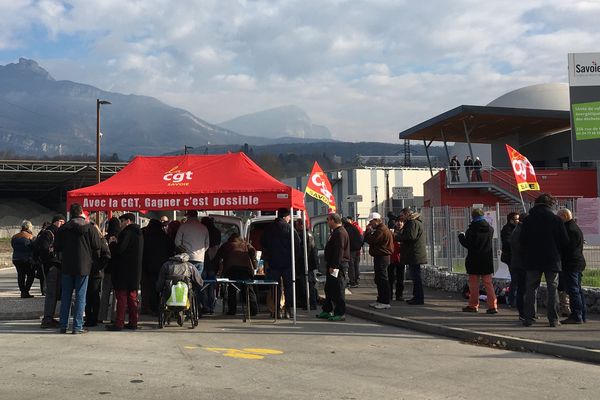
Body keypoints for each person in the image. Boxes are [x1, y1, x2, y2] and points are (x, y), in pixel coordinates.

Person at [519, 194, 569, 327]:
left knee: (530, 288)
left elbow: (522, 241)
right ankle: (553, 319)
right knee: (552, 288)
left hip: (532, 259)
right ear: (550, 204)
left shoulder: (528, 220)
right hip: (552, 259)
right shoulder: (556, 220)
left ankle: (528, 318)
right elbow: (564, 241)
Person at [54, 203, 103, 334]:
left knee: (66, 297)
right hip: (84, 266)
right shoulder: (89, 228)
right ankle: (77, 326)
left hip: (67, 266)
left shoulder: (64, 228)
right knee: (81, 296)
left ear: (70, 213)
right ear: (81, 212)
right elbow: (97, 245)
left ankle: (63, 325)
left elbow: (57, 246)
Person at [106, 213, 144, 331]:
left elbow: (120, 250)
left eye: (122, 221)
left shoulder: (127, 233)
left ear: (128, 221)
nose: (121, 224)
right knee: (132, 297)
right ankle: (133, 322)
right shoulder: (140, 233)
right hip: (135, 271)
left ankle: (119, 323)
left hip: (123, 271)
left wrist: (112, 243)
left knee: (121, 298)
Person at [262, 208, 300, 319]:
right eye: (289, 216)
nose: (289, 219)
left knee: (275, 287)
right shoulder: (290, 228)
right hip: (288, 263)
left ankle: (276, 311)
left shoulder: (269, 229)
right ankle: (288, 310)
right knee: (289, 287)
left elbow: (263, 243)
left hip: (273, 263)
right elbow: (297, 245)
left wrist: (268, 256)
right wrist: (294, 260)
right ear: (285, 216)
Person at [458, 208, 498, 314]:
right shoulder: (490, 229)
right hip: (486, 260)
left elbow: (468, 244)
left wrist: (461, 236)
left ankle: (473, 305)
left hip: (474, 260)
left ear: (473, 216)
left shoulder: (471, 230)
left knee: (474, 285)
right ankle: (493, 306)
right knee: (488, 284)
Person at [316, 213, 350, 321]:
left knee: (338, 289)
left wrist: (334, 265)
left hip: (338, 266)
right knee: (329, 288)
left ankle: (340, 313)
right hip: (333, 264)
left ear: (333, 221)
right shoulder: (336, 232)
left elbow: (339, 251)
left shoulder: (340, 233)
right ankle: (327, 310)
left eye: (328, 220)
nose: (327, 222)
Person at [214, 233, 258, 316]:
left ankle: (232, 310)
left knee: (232, 289)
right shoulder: (246, 244)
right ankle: (254, 310)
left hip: (231, 269)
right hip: (246, 269)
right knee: (248, 288)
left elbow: (218, 258)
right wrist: (254, 265)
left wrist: (215, 270)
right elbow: (253, 252)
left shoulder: (226, 245)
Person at [174, 210, 210, 313]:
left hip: (186, 259)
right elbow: (207, 244)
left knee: (184, 282)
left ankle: (185, 306)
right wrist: (201, 252)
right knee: (198, 283)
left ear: (188, 216)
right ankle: (198, 306)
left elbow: (177, 242)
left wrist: (183, 250)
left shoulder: (183, 227)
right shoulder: (203, 228)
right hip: (199, 259)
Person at [557, 209, 587, 324]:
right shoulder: (573, 227)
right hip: (576, 263)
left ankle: (576, 316)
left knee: (573, 290)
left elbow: (567, 248)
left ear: (564, 216)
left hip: (571, 264)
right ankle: (581, 315)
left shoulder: (569, 229)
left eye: (558, 217)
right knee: (577, 290)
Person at [141, 219, 172, 315]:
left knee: (149, 288)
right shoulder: (164, 236)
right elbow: (170, 249)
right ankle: (160, 305)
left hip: (147, 265)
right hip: (162, 265)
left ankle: (150, 307)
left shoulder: (145, 235)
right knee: (162, 286)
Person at [39, 214, 65, 328]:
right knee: (51, 293)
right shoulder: (49, 233)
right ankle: (47, 319)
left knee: (54, 294)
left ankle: (49, 317)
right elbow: (44, 249)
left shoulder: (52, 232)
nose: (63, 224)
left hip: (53, 266)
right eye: (61, 222)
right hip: (52, 267)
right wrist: (52, 262)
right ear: (56, 222)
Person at [397, 208, 428, 305]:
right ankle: (417, 297)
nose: (401, 218)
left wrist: (397, 236)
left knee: (416, 277)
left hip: (414, 254)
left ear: (407, 214)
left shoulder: (412, 223)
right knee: (416, 276)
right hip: (415, 253)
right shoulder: (415, 222)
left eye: (402, 215)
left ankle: (418, 298)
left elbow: (410, 236)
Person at [364, 212, 394, 310]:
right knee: (379, 279)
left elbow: (371, 240)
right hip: (381, 256)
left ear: (376, 221)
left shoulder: (381, 230)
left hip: (382, 257)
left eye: (371, 221)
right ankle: (380, 299)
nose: (370, 224)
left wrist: (368, 231)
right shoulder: (380, 229)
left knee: (382, 279)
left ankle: (384, 301)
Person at [84, 222, 111, 327]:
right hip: (91, 271)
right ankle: (89, 316)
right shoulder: (96, 240)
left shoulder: (101, 240)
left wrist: (99, 267)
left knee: (93, 296)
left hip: (95, 272)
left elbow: (106, 255)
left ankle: (93, 317)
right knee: (89, 296)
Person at [98, 217, 121, 324]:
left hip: (107, 269)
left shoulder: (106, 238)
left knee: (105, 294)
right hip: (117, 270)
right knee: (116, 295)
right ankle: (114, 317)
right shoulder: (121, 237)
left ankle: (101, 316)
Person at [294, 218, 319, 310]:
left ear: (301, 225)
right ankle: (309, 302)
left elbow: (304, 251)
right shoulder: (309, 233)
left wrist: (299, 261)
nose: (296, 226)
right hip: (309, 263)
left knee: (307, 284)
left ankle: (310, 303)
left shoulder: (303, 235)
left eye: (297, 224)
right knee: (309, 283)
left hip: (306, 264)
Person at [201, 216, 222, 314]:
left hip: (203, 261)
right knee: (212, 286)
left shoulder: (202, 231)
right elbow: (216, 248)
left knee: (203, 284)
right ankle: (211, 306)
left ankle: (205, 306)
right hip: (213, 264)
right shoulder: (217, 232)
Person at [509, 213, 528, 321]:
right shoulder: (520, 232)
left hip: (518, 263)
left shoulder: (517, 230)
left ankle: (525, 312)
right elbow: (521, 248)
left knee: (522, 288)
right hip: (521, 264)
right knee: (522, 289)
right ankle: (522, 312)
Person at [11, 220, 35, 298]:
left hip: (16, 259)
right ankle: (25, 291)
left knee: (21, 275)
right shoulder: (30, 237)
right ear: (29, 227)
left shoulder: (14, 237)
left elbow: (13, 246)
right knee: (31, 275)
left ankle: (23, 292)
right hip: (27, 259)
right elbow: (34, 248)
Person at [500, 212, 519, 306]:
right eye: (516, 219)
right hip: (510, 257)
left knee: (516, 278)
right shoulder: (507, 229)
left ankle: (513, 299)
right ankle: (512, 300)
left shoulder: (516, 228)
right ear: (511, 220)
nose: (518, 221)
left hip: (514, 256)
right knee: (515, 278)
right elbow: (507, 243)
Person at [342, 216, 364, 288]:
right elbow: (361, 238)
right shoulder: (354, 227)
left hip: (351, 250)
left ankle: (352, 282)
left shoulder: (346, 229)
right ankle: (356, 280)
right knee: (356, 265)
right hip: (357, 249)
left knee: (351, 266)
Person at [388, 218, 405, 301]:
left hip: (400, 258)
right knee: (390, 278)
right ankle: (389, 294)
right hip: (391, 257)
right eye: (398, 221)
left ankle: (399, 295)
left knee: (400, 278)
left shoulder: (405, 231)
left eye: (401, 222)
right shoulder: (391, 231)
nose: (400, 223)